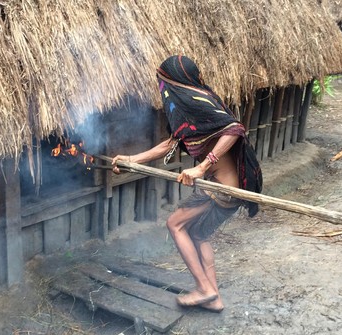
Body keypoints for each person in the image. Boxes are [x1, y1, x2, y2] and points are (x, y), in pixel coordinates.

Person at [112, 55, 262, 312]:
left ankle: (204, 289)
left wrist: (202, 166)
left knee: (175, 224)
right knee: (197, 233)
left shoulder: (196, 101)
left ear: (172, 81)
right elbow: (171, 143)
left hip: (222, 188)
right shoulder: (192, 107)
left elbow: (234, 129)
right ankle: (213, 298)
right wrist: (131, 159)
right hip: (224, 187)